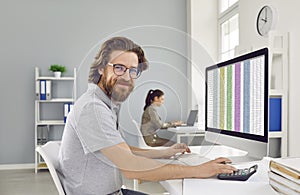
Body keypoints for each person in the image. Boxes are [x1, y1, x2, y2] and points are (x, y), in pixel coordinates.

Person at [57, 36, 236, 195]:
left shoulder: (104, 104)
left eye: (133, 70)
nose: (127, 77)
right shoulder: (93, 108)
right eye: (119, 68)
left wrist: (163, 153)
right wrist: (198, 170)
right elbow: (130, 167)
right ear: (102, 69)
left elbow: (123, 151)